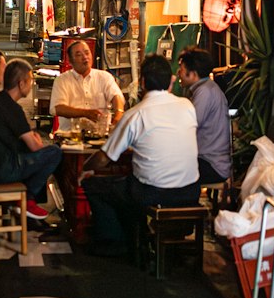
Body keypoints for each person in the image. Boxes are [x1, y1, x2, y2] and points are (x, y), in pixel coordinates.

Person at [80, 53, 199, 257]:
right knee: (127, 185)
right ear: (171, 81)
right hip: (190, 190)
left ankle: (116, 243)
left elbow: (104, 158)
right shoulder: (187, 106)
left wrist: (84, 168)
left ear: (142, 82)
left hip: (151, 192)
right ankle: (147, 236)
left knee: (95, 184)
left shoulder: (135, 114)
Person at [0, 59, 61, 221]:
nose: (31, 85)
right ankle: (26, 201)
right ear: (21, 83)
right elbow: (35, 147)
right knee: (54, 152)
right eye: (30, 81)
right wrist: (36, 140)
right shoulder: (12, 109)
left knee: (27, 154)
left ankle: (27, 212)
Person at [176, 47, 231, 185]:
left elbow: (190, 125)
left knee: (166, 171)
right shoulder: (205, 88)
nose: (178, 74)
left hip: (212, 164)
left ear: (193, 74)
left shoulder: (205, 92)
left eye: (181, 70)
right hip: (206, 160)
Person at [49, 39, 125, 132]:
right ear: (70, 61)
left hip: (99, 134)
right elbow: (57, 108)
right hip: (71, 136)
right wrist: (85, 113)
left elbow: (116, 96)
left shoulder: (104, 77)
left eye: (87, 53)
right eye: (78, 55)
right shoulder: (62, 80)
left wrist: (119, 113)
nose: (85, 57)